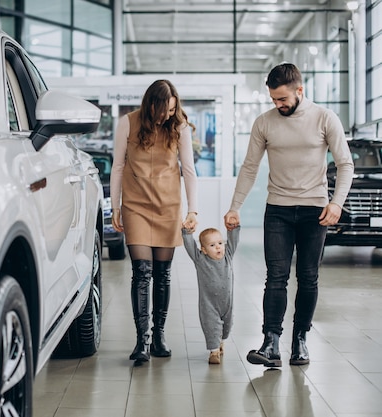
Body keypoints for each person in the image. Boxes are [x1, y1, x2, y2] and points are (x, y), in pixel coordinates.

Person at [223, 63, 354, 367]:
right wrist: (235, 206)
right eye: (273, 100)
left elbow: (345, 164)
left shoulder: (324, 118)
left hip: (315, 210)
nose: (278, 105)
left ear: (299, 90)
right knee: (276, 278)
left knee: (308, 278)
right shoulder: (264, 123)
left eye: (282, 99)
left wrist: (336, 203)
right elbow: (250, 167)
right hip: (278, 210)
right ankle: (271, 343)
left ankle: (300, 340)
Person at [110, 79, 198, 363]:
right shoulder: (128, 122)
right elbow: (118, 166)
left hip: (168, 205)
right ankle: (142, 341)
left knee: (162, 273)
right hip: (135, 204)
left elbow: (189, 169)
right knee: (141, 270)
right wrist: (115, 206)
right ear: (151, 104)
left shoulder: (179, 126)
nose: (168, 115)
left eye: (173, 110)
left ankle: (159, 336)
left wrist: (192, 209)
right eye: (165, 110)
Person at [182, 226, 239, 364]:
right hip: (209, 304)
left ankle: (221, 342)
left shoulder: (228, 256)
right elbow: (190, 246)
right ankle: (214, 351)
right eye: (212, 245)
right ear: (204, 249)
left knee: (227, 326)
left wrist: (234, 228)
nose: (218, 247)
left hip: (227, 303)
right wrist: (187, 233)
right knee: (211, 326)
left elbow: (233, 241)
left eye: (220, 243)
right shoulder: (200, 260)